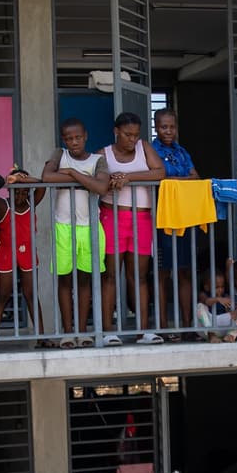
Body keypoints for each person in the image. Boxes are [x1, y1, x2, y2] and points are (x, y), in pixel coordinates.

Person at [98, 111, 167, 346]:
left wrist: (127, 176)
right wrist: (111, 178)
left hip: (142, 219)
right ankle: (108, 332)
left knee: (138, 276)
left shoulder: (144, 148)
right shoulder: (103, 154)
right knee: (109, 276)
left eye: (136, 135)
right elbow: (97, 180)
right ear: (116, 132)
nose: (132, 140)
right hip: (111, 217)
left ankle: (143, 332)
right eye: (127, 135)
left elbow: (160, 172)